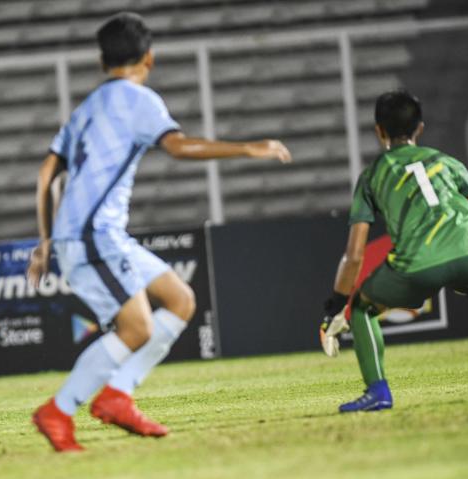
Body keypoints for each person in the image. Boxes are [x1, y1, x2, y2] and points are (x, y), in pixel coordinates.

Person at [27, 12, 291, 452]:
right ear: (149, 57)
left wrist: (45, 239)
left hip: (94, 235)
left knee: (181, 300)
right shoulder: (141, 100)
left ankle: (117, 395)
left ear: (101, 60)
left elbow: (45, 175)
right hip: (94, 236)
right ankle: (60, 409)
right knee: (137, 328)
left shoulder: (86, 107)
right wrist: (247, 147)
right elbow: (178, 146)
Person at [319, 90, 468, 412]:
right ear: (420, 128)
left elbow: (355, 256)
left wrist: (335, 306)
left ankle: (378, 392)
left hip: (416, 266)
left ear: (379, 131)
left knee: (361, 308)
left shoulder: (372, 176)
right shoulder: (449, 164)